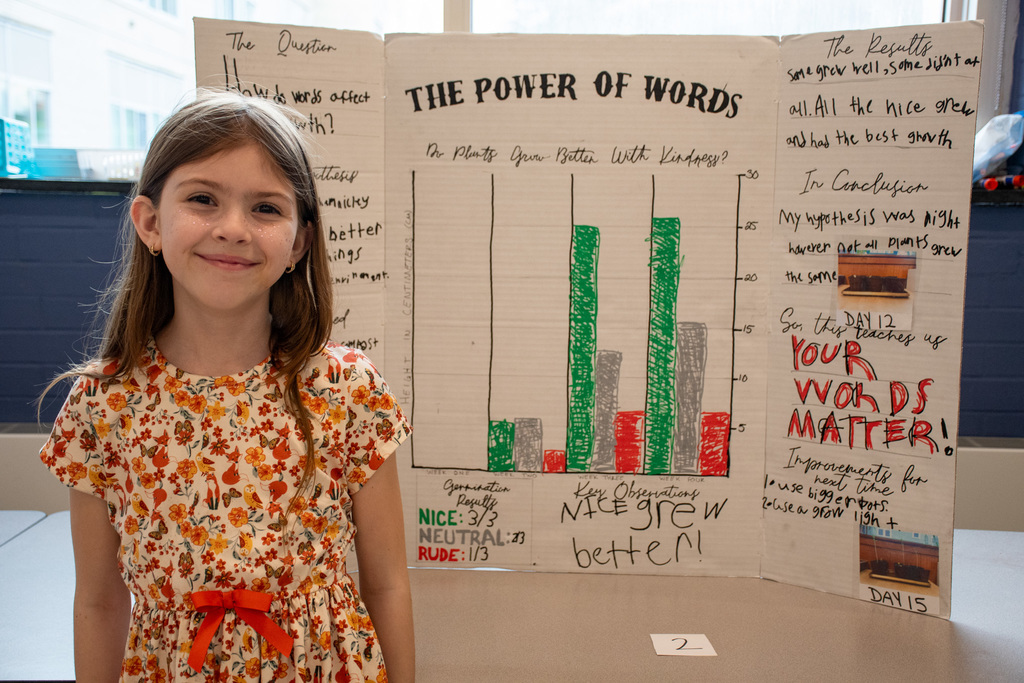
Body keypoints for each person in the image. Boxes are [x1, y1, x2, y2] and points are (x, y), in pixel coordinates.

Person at [39, 89, 414, 682]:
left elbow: (388, 582)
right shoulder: (102, 406)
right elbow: (98, 602)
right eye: (203, 199)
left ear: (298, 242)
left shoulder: (348, 391)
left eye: (266, 208)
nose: (233, 228)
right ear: (152, 223)